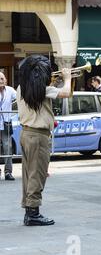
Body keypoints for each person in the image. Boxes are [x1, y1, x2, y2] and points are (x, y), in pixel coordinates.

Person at [17, 55, 72, 226]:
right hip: (38, 136)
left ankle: (29, 210)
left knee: (29, 174)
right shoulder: (42, 89)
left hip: (26, 134)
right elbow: (67, 92)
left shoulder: (22, 88)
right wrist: (67, 77)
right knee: (37, 175)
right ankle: (33, 213)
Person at [0, 72, 16, 181]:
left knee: (8, 148)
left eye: (2, 78)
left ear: (5, 80)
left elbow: (20, 99)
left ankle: (8, 172)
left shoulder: (10, 90)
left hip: (6, 124)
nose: (1, 80)